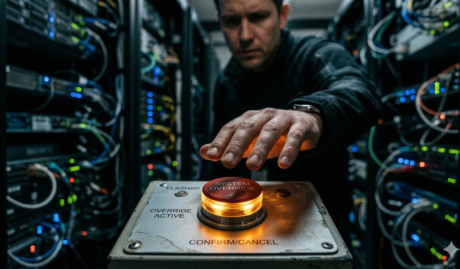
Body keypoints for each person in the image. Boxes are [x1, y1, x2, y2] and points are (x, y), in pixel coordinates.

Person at [199, 0, 381, 245]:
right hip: (244, 228)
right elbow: (219, 166)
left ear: (283, 15)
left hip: (318, 226)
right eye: (231, 21)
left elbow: (358, 91)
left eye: (258, 17)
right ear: (219, 20)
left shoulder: (316, 53)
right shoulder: (226, 80)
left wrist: (313, 115)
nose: (245, 35)